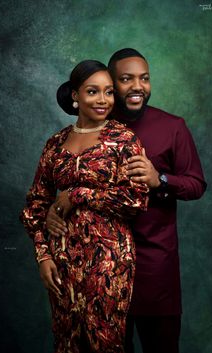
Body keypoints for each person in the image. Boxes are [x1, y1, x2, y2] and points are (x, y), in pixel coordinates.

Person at [46, 49, 207, 353]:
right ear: (111, 83)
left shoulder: (172, 127)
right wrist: (57, 208)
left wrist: (159, 179)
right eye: (126, 79)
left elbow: (196, 184)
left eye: (144, 79)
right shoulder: (93, 124)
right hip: (99, 268)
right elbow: (64, 180)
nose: (137, 86)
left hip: (153, 268)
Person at [20, 59, 148, 353]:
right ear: (75, 95)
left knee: (104, 343)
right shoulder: (56, 143)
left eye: (109, 92)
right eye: (93, 92)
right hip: (61, 262)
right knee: (66, 342)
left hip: (108, 263)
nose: (103, 100)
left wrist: (78, 194)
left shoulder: (124, 140)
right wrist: (43, 256)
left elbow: (136, 199)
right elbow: (35, 205)